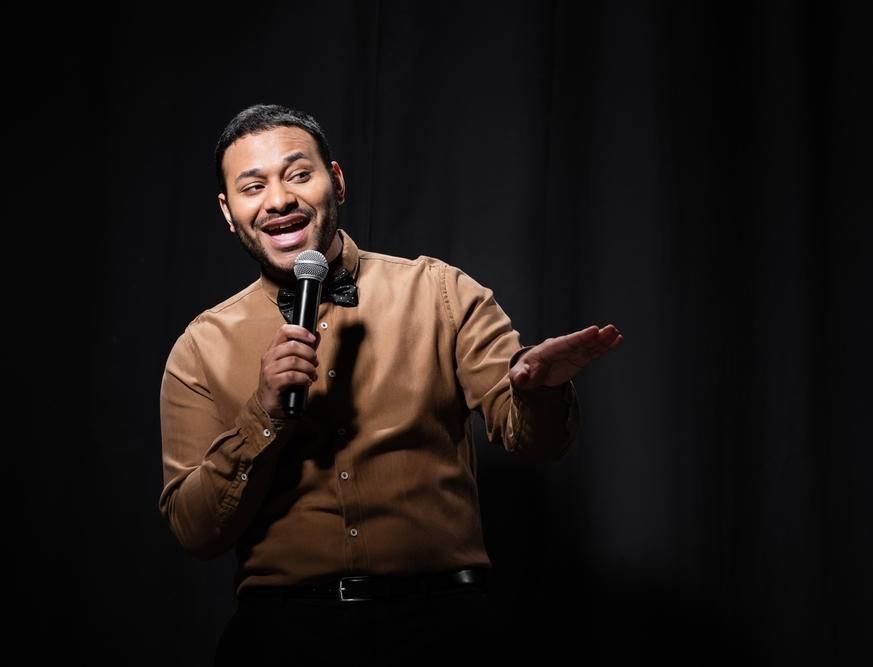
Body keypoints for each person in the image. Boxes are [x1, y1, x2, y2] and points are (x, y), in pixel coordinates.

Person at [159, 103, 623, 666]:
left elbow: (537, 441)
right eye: (252, 187)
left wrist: (536, 389)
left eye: (299, 174)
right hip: (283, 638)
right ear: (229, 212)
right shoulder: (198, 346)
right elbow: (194, 530)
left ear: (337, 181)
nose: (279, 200)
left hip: (444, 630)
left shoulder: (441, 293)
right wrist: (263, 414)